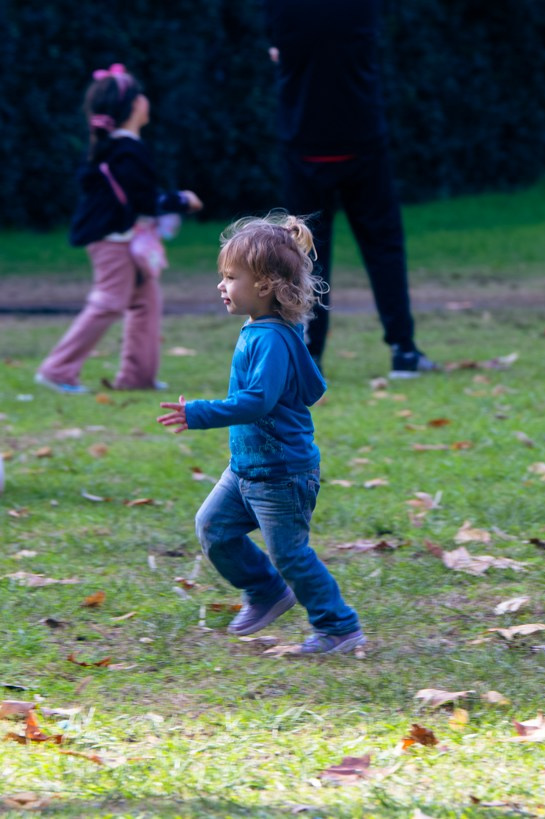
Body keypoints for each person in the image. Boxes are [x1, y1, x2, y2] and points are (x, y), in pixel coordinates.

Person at [156, 213, 365, 655]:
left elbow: (258, 401)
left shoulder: (270, 339)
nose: (222, 285)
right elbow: (311, 387)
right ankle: (267, 591)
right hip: (249, 467)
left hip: (282, 474)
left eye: (231, 277)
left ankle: (339, 627)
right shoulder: (268, 332)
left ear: (266, 285)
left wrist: (199, 412)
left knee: (291, 554)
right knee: (213, 527)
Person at [266, 0, 437, 379]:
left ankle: (309, 356)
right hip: (361, 140)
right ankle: (403, 350)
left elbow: (279, 51)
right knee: (383, 247)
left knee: (305, 256)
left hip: (305, 145)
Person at [36, 64, 203, 394]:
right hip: (113, 240)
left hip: (127, 239)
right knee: (110, 301)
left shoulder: (116, 148)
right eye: (140, 95)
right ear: (131, 107)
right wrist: (182, 201)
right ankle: (57, 370)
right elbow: (144, 200)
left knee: (146, 303)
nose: (145, 99)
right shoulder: (126, 150)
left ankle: (138, 377)